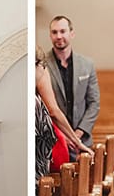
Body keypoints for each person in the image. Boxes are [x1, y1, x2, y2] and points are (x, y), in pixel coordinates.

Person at [46, 16, 100, 155]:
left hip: (82, 140)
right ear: (50, 35)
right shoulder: (42, 65)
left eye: (63, 31)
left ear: (72, 33)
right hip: (53, 141)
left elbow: (94, 103)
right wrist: (63, 136)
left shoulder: (87, 65)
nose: (59, 36)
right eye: (54, 32)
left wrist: (77, 135)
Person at [35, 52, 92, 180]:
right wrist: (77, 142)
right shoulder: (35, 103)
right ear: (37, 65)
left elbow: (94, 103)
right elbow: (53, 111)